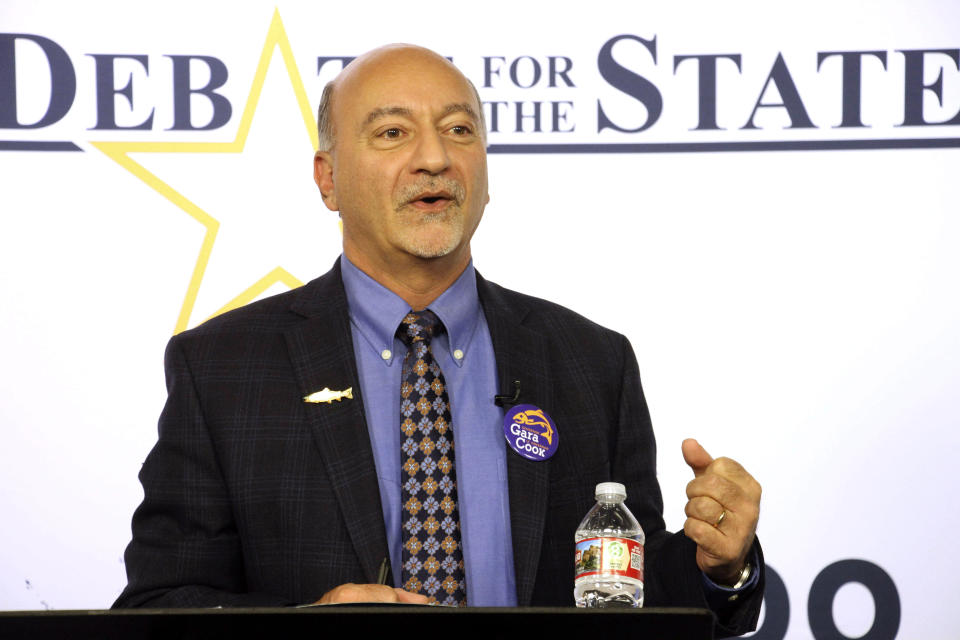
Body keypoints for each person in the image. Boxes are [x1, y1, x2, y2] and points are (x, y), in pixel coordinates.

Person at [115, 44, 764, 635]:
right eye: (393, 133)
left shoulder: (592, 362)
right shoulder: (224, 368)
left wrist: (718, 566)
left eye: (459, 131)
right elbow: (158, 607)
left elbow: (631, 598)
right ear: (328, 179)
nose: (434, 158)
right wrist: (305, 623)